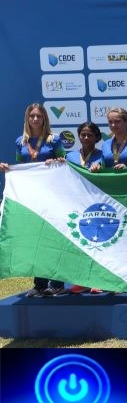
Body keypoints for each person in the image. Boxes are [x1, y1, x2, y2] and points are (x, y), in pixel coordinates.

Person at [0, 103, 66, 296]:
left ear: (45, 118)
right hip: (32, 198)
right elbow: (21, 168)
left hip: (52, 195)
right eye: (32, 116)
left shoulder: (54, 140)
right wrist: (8, 169)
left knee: (53, 238)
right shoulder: (20, 141)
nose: (35, 119)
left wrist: (56, 161)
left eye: (39, 116)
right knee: (36, 240)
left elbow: (64, 163)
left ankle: (57, 284)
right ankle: (40, 284)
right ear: (27, 119)